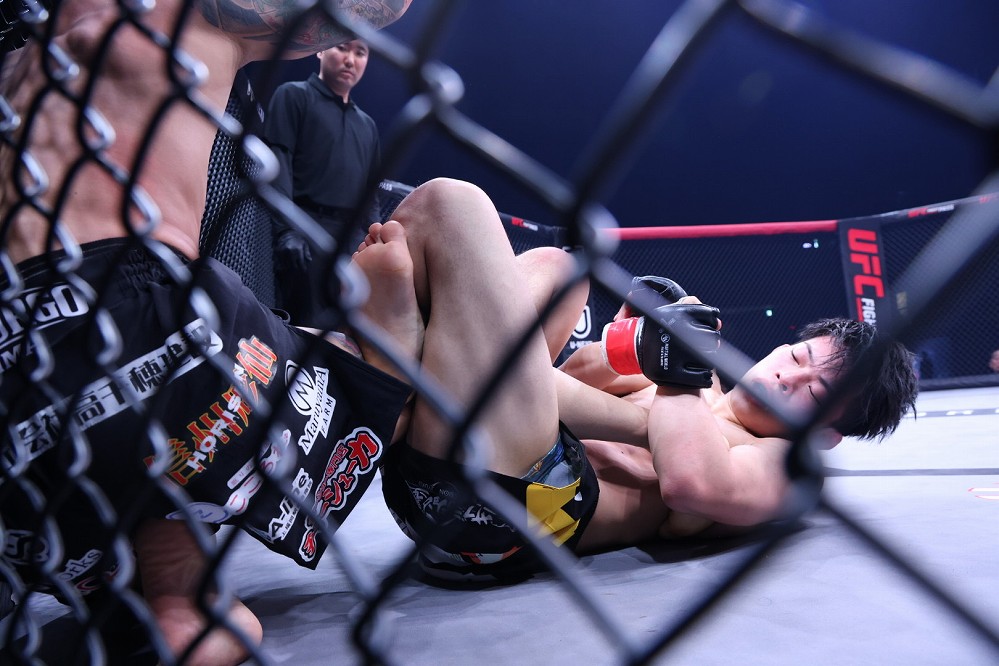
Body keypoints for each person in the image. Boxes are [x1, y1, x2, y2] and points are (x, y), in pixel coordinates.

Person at [378, 266, 920, 582]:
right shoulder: (698, 384)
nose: (787, 377)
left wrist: (678, 367)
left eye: (814, 392)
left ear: (824, 434)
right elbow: (569, 376)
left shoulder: (787, 465)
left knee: (462, 210)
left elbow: (692, 485)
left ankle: (394, 363)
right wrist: (639, 341)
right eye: (798, 357)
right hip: (450, 457)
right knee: (556, 265)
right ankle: (397, 368)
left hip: (514, 518)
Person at [264, 37, 382, 328]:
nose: (350, 59)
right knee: (304, 329)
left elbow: (370, 196)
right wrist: (287, 231)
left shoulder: (367, 126)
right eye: (342, 47)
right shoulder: (294, 96)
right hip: (306, 231)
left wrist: (374, 238)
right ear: (320, 49)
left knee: (350, 333)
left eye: (360, 53)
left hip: (352, 240)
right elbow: (278, 167)